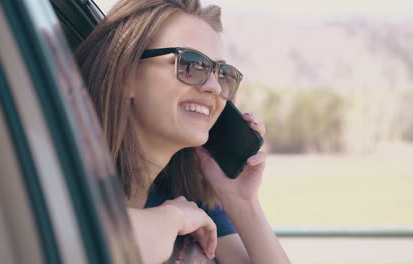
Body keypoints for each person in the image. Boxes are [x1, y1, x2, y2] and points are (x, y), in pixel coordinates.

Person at [75, 0, 290, 263]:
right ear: (124, 76)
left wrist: (242, 202)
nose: (213, 87)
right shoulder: (63, 176)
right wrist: (172, 219)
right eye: (190, 64)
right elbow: (73, 242)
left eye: (222, 74)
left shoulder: (189, 196)